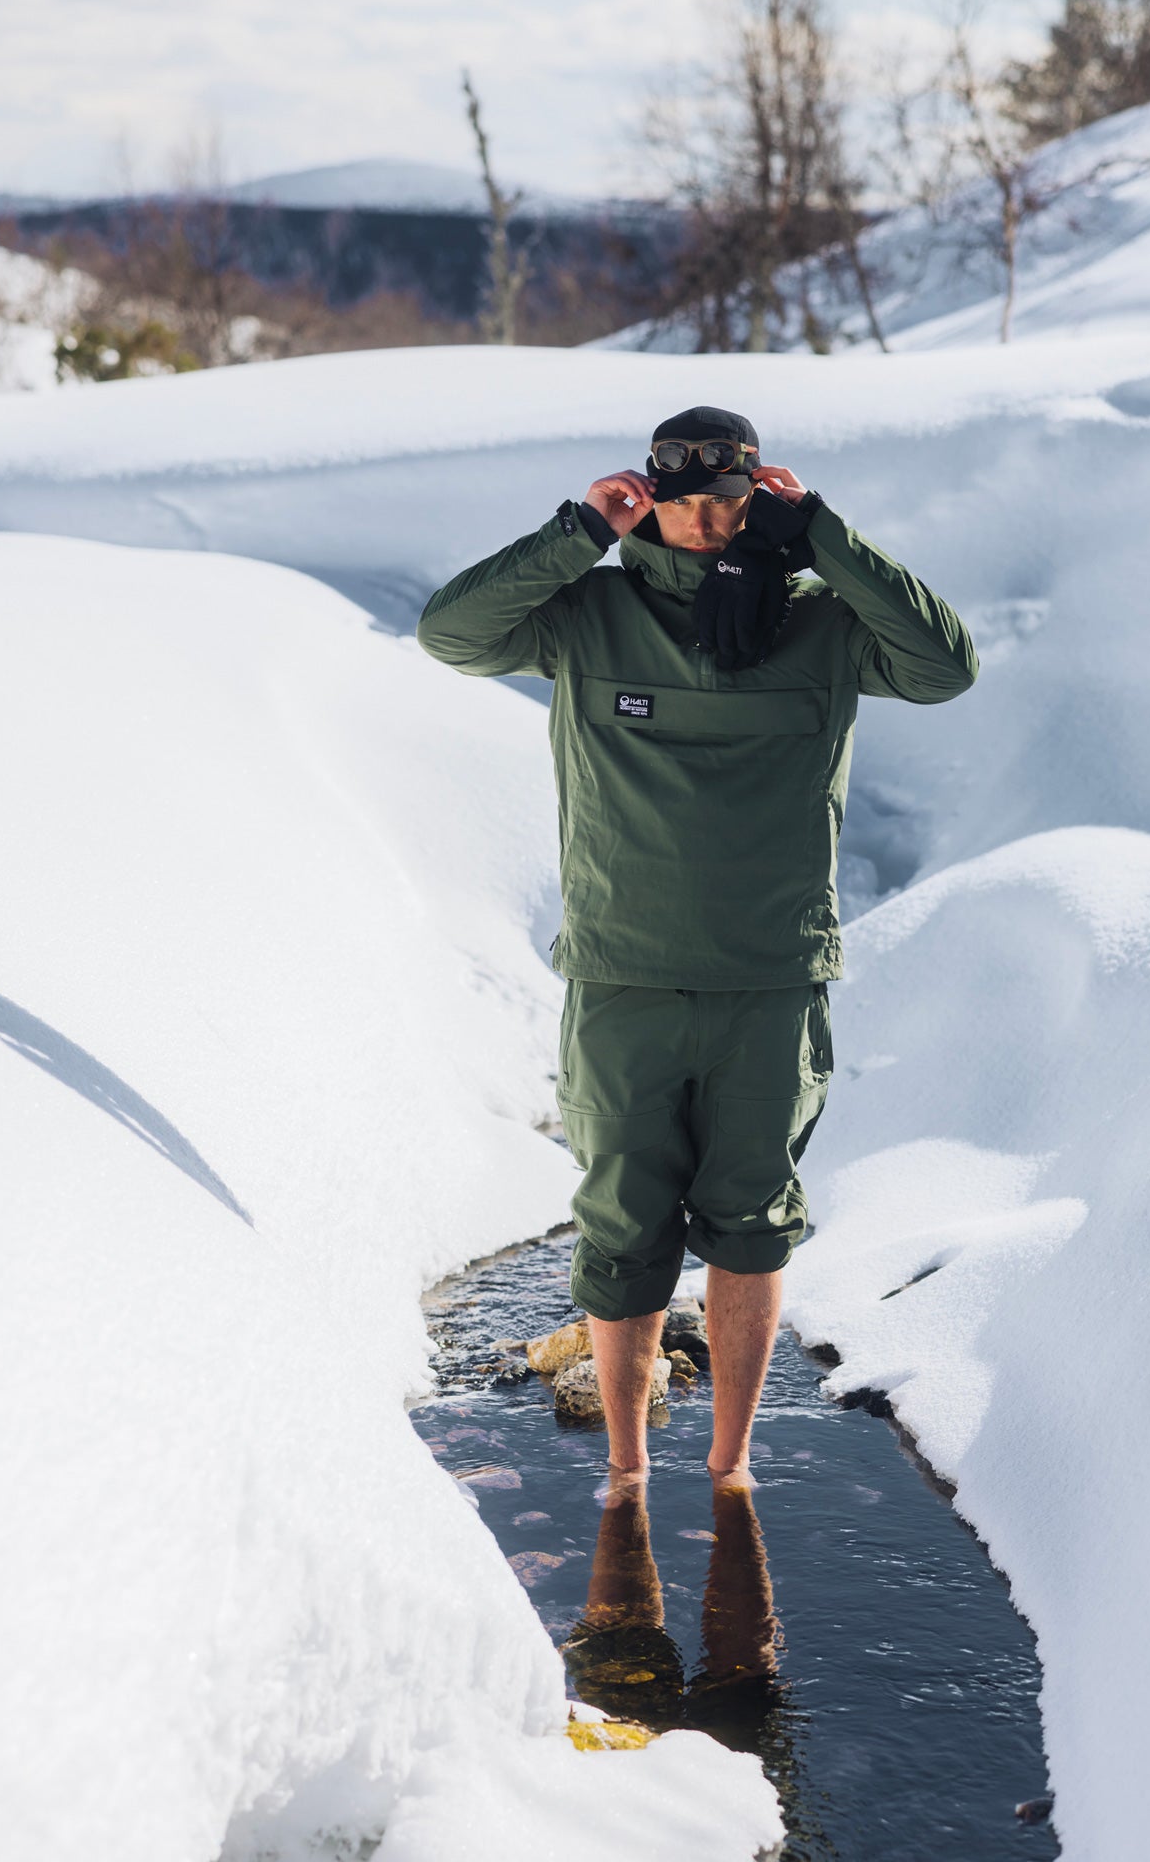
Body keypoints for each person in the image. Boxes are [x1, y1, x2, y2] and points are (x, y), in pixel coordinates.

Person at [417, 405, 977, 1481]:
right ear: (655, 503)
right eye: (687, 507)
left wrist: (823, 535)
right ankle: (627, 1467)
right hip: (623, 977)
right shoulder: (590, 613)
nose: (710, 526)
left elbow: (945, 665)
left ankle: (730, 1463)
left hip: (769, 983)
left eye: (731, 506)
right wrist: (578, 527)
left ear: (756, 498)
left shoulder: (822, 623)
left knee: (752, 1225)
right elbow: (453, 632)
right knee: (622, 1230)